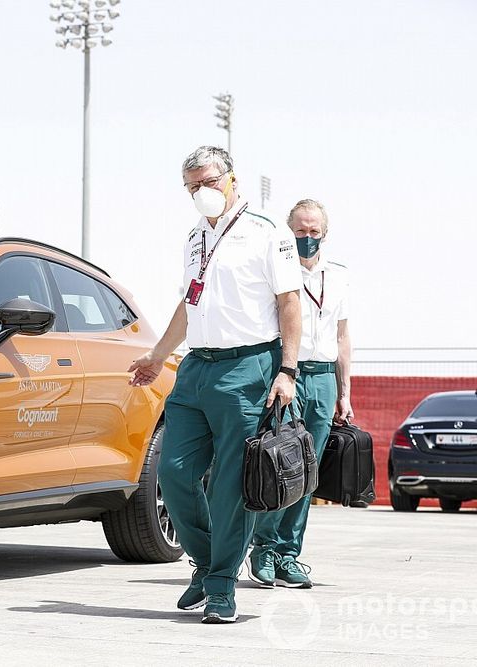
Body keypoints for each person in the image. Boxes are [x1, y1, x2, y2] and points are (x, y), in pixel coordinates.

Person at [128, 145, 302, 623]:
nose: (200, 193)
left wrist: (287, 370)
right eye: (191, 187)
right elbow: (189, 304)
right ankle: (205, 564)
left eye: (207, 182)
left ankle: (222, 585)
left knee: (231, 485)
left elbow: (289, 303)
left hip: (249, 368)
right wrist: (157, 356)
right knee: (173, 473)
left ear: (232, 179)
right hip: (196, 369)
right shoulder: (192, 238)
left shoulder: (266, 233)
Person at [248, 198, 353, 589]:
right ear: (288, 232)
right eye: (300, 231)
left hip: (324, 378)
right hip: (287, 374)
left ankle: (289, 554)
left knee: (307, 474)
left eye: (314, 231)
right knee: (280, 465)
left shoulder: (338, 276)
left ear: (324, 232)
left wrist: (345, 392)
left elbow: (343, 337)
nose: (307, 237)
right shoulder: (276, 272)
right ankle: (264, 548)